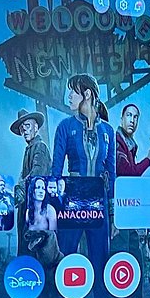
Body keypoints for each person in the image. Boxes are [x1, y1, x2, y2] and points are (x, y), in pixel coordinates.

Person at [52, 73, 115, 260]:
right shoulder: (65, 126)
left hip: (99, 198)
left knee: (100, 259)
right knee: (66, 256)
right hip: (73, 196)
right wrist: (54, 209)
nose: (69, 96)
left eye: (73, 92)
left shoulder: (108, 131)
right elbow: (56, 171)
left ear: (87, 94)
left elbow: (112, 173)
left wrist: (113, 215)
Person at [115, 102, 150, 177]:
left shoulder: (129, 145)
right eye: (129, 115)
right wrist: (148, 159)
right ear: (122, 119)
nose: (132, 120)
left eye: (135, 117)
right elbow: (128, 174)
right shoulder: (118, 141)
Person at [10, 108, 51, 180]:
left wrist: (22, 184)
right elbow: (23, 175)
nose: (24, 130)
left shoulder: (40, 146)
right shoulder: (29, 150)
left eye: (27, 125)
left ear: (35, 127)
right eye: (21, 128)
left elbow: (37, 173)